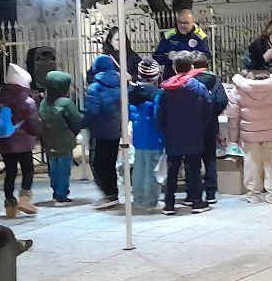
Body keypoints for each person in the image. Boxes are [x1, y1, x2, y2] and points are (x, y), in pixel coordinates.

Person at [157, 51, 213, 215]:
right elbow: (208, 110)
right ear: (191, 67)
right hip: (194, 133)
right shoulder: (198, 87)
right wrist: (202, 128)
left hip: (173, 134)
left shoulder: (166, 89)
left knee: (172, 170)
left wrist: (165, 130)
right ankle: (197, 201)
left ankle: (169, 204)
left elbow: (159, 114)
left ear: (174, 68)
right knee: (194, 169)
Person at [225, 69, 272, 203]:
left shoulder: (239, 89)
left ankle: (254, 194)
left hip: (249, 134)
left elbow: (233, 117)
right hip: (271, 131)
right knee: (271, 162)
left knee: (252, 163)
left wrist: (233, 138)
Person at [0, 64, 43, 218]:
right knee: (28, 169)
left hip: (4, 141)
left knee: (10, 171)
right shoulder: (27, 101)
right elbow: (33, 123)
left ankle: (10, 204)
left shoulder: (1, 97)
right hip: (22, 142)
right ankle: (24, 199)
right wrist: (39, 133)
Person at [82, 54, 122, 209]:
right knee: (110, 163)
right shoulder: (120, 85)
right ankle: (113, 193)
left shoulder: (95, 88)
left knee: (98, 163)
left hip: (99, 131)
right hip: (115, 130)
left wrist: (80, 124)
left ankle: (108, 194)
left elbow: (91, 112)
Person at [38, 71, 81, 206]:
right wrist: (73, 133)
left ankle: (55, 192)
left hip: (48, 140)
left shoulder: (44, 103)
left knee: (53, 167)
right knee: (63, 168)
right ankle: (61, 195)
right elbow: (76, 121)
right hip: (64, 141)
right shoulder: (66, 103)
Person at [128, 59, 165, 211]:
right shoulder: (157, 94)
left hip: (138, 136)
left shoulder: (130, 92)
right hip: (154, 137)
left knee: (139, 168)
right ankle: (150, 201)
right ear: (155, 76)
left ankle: (138, 199)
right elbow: (159, 116)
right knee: (153, 169)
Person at [192, 57, 229, 204]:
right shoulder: (215, 80)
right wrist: (214, 112)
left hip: (193, 124)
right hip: (211, 124)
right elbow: (222, 100)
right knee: (210, 159)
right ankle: (211, 193)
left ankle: (193, 193)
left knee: (193, 160)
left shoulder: (190, 81)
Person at [154, 9, 211, 79]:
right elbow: (157, 57)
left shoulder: (200, 36)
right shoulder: (169, 35)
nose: (182, 25)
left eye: (186, 23)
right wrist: (169, 57)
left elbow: (206, 56)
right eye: (180, 22)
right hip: (172, 78)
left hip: (194, 77)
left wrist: (191, 56)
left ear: (193, 22)